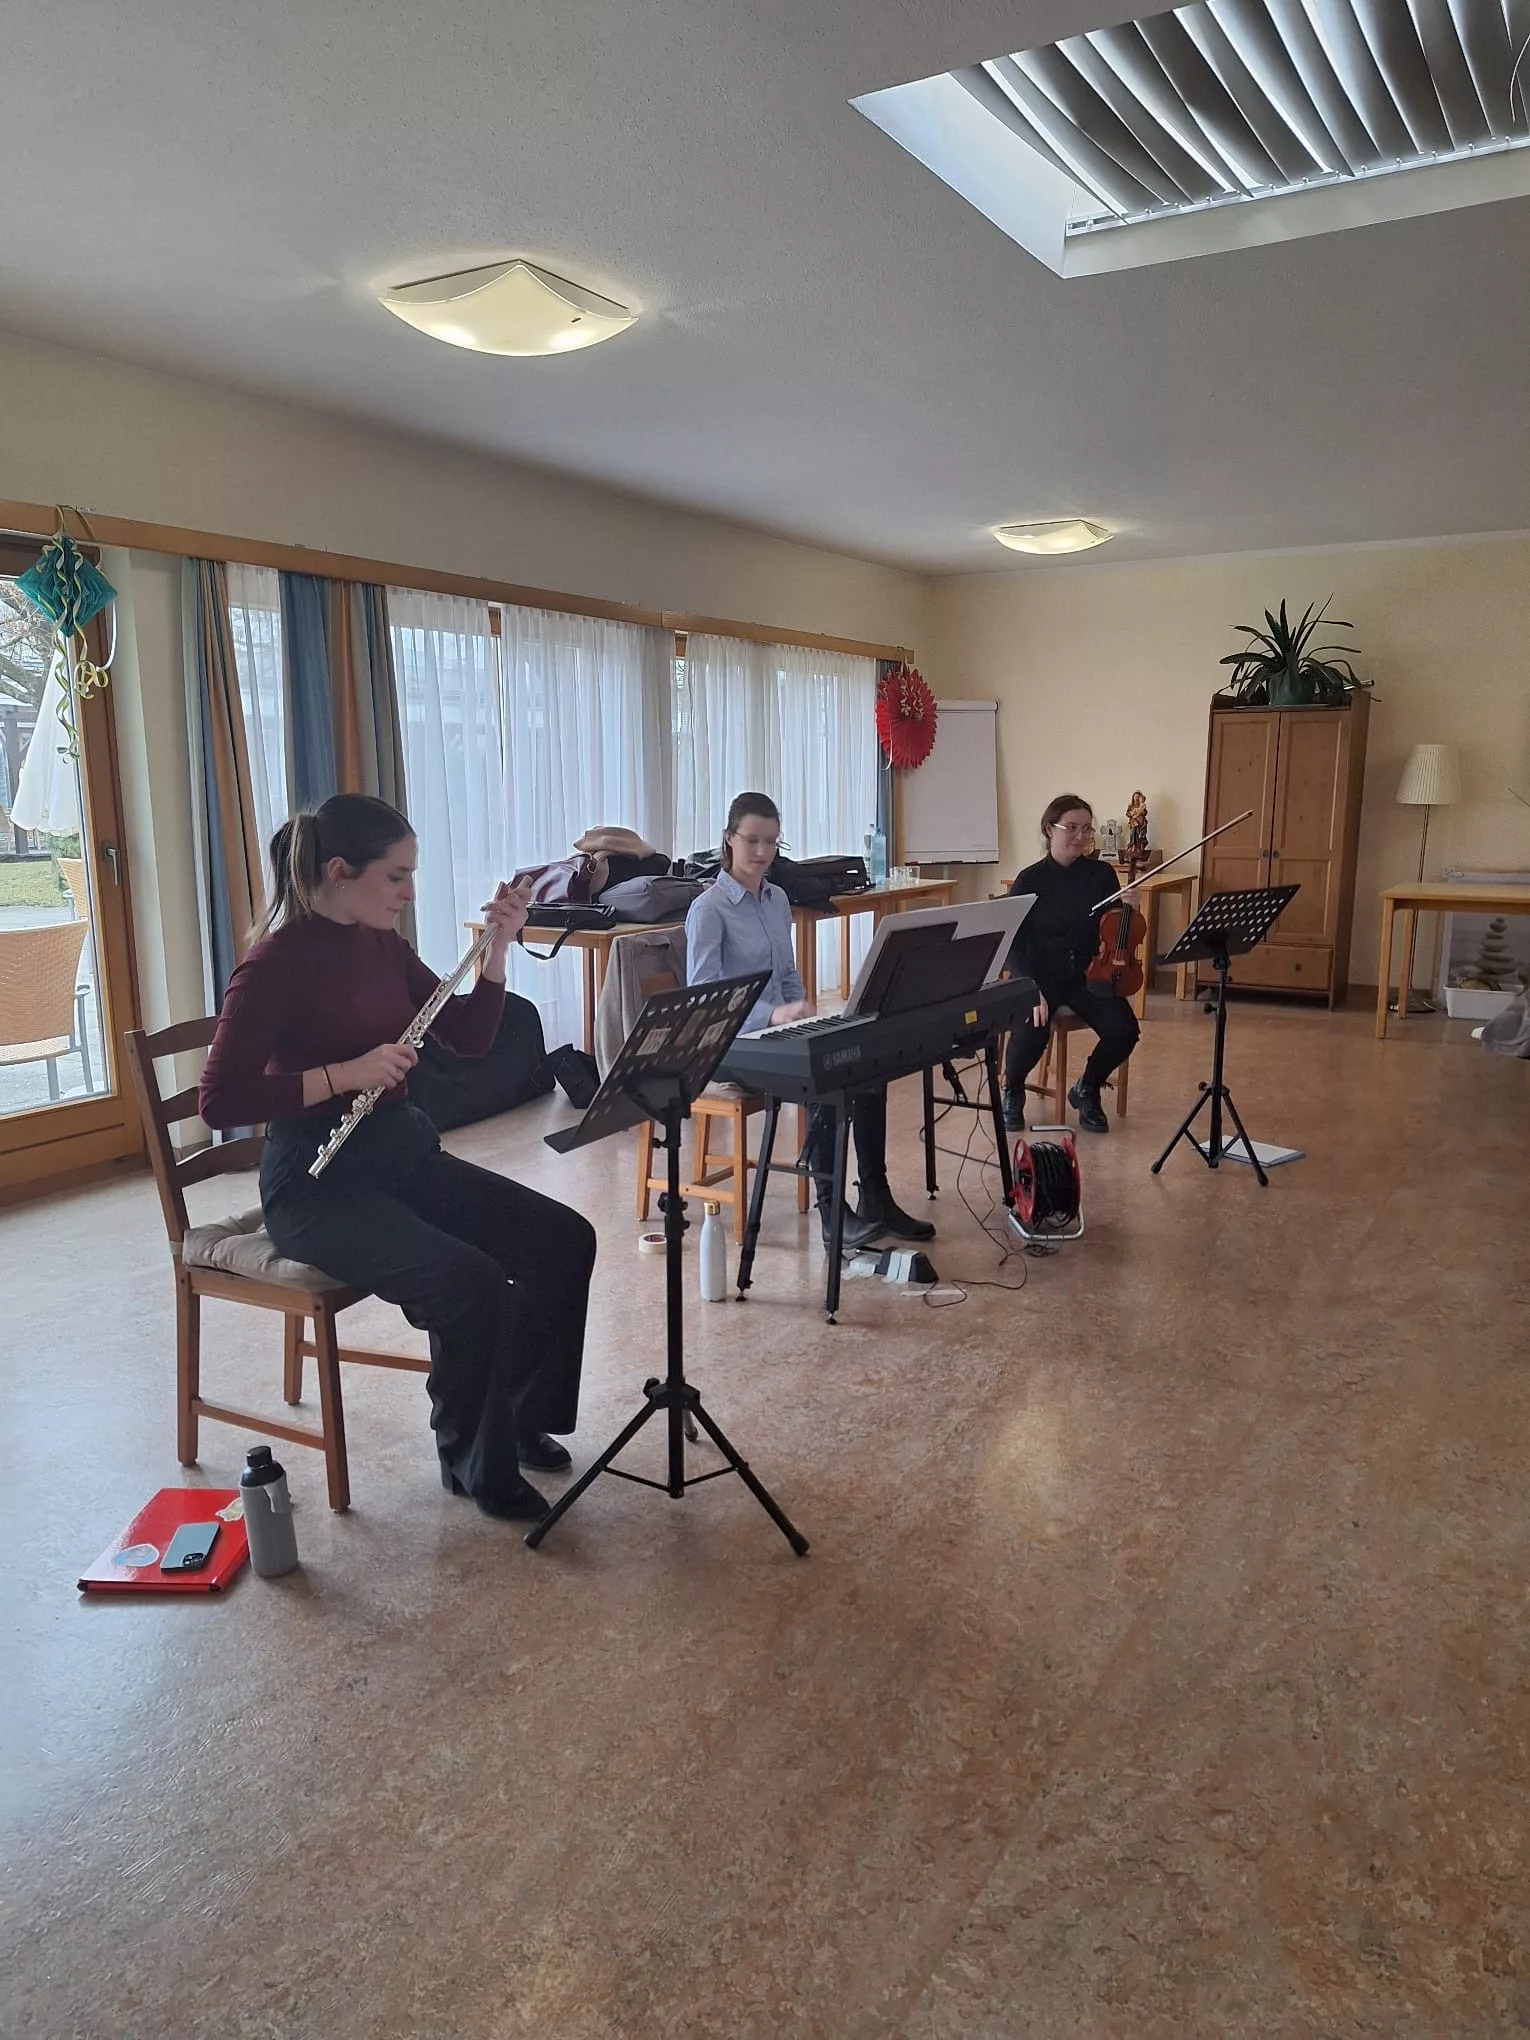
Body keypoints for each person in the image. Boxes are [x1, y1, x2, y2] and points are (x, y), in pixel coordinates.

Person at [198, 793, 597, 1523]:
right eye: (398, 876)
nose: (410, 893)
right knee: (470, 1283)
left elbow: (468, 1037)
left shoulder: (380, 942)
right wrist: (344, 1075)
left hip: (398, 1153)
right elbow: (219, 1100)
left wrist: (498, 950)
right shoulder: (274, 964)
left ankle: (514, 1418)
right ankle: (472, 1461)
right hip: (316, 1187)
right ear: (340, 872)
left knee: (564, 1240)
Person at [685, 791, 934, 1253]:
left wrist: (801, 1011)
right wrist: (771, 1014)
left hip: (777, 1035)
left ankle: (876, 1198)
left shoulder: (777, 899)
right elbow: (706, 1002)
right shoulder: (709, 909)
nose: (763, 852)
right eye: (752, 840)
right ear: (729, 839)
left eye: (772, 842)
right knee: (826, 1079)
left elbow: (787, 973)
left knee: (868, 1068)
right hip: (730, 1046)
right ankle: (832, 1215)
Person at [1002, 793, 1140, 1135]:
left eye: (1086, 829)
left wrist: (1129, 910)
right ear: (1050, 830)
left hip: (1086, 973)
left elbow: (1115, 932)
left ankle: (1087, 1088)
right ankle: (1013, 1089)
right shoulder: (1029, 880)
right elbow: (1012, 945)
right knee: (1033, 1027)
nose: (1081, 836)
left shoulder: (1101, 875)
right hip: (1039, 974)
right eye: (1072, 828)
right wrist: (1030, 988)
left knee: (1124, 1029)